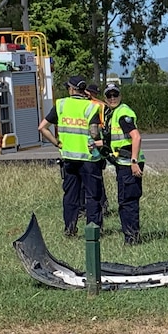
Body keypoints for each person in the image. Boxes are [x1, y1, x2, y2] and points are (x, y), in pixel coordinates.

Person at [37, 75, 105, 236]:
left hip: (68, 158)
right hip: (89, 159)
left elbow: (42, 128)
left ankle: (70, 228)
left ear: (72, 89)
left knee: (70, 196)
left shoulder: (61, 104)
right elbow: (95, 133)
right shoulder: (91, 107)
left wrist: (57, 143)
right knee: (93, 196)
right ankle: (94, 230)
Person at [102, 83, 145, 245]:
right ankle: (130, 237)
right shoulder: (114, 113)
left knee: (128, 202)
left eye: (115, 95)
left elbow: (136, 137)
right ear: (105, 98)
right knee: (125, 201)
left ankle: (132, 238)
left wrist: (134, 161)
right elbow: (117, 140)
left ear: (120, 95)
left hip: (129, 165)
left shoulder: (122, 114)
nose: (112, 98)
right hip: (123, 164)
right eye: (109, 95)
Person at [85, 83, 110, 215]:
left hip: (93, 143)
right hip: (98, 144)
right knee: (97, 177)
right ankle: (103, 204)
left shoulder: (91, 105)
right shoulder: (102, 105)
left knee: (92, 178)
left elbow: (95, 130)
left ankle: (100, 204)